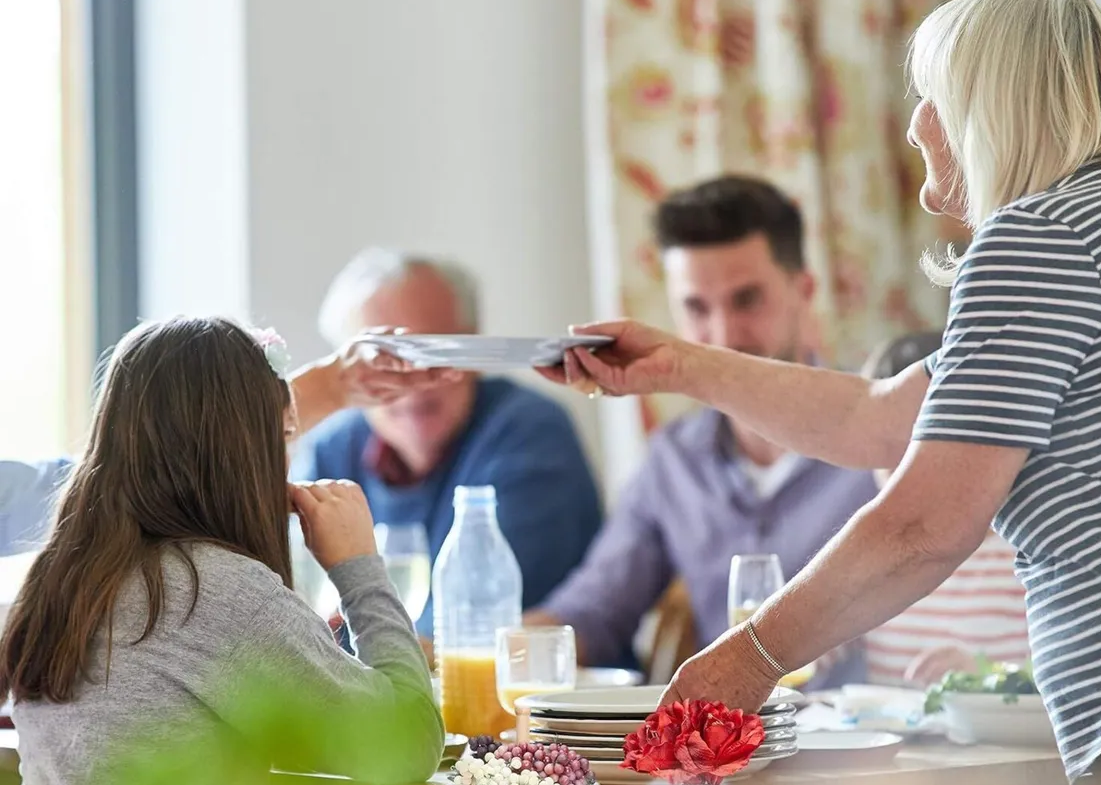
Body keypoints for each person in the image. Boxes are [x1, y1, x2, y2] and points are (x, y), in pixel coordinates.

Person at [551, 0, 1101, 785]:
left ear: (983, 107)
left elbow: (926, 522)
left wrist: (749, 655)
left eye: (930, 97)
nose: (913, 126)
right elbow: (878, 420)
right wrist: (682, 366)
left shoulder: (1041, 238)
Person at [0, 317, 443, 785]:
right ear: (243, 451)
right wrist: (360, 568)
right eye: (281, 442)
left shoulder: (61, 576)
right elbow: (405, 743)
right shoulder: (213, 588)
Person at [529, 178, 877, 677]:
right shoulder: (674, 459)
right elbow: (595, 609)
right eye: (696, 307)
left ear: (803, 290)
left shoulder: (884, 437)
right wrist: (458, 656)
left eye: (747, 300)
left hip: (882, 744)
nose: (724, 336)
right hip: (730, 748)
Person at [293, 250, 602, 634]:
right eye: (386, 360)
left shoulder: (530, 433)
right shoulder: (330, 449)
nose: (415, 380)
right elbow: (290, 603)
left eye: (437, 352)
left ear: (475, 348)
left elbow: (473, 619)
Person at [0, 326, 426, 558]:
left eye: (283, 437)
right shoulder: (228, 599)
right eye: (280, 437)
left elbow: (79, 488)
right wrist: (359, 572)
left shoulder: (63, 602)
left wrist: (329, 388)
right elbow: (397, 715)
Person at [858, 330, 1030, 687]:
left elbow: (1064, 687)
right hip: (889, 743)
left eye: (911, 445)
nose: (896, 471)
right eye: (882, 448)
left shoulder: (1021, 554)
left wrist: (985, 678)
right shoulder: (869, 559)